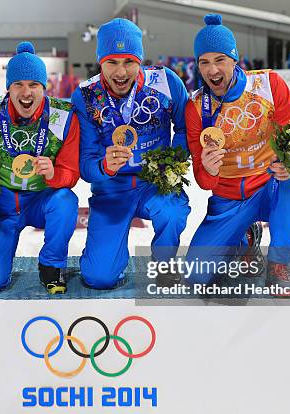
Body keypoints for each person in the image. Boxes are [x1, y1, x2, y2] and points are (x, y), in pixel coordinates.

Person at [185, 14, 290, 297]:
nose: (212, 69)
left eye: (220, 60)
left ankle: (278, 266)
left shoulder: (268, 85)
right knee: (195, 276)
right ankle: (246, 238)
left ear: (234, 60)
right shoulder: (195, 108)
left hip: (267, 186)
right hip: (227, 199)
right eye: (204, 62)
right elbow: (204, 182)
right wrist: (208, 169)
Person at [71, 18, 191, 289]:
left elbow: (185, 128)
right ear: (100, 61)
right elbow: (86, 164)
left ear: (140, 60)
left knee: (172, 213)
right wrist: (105, 166)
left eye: (129, 62)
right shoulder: (86, 97)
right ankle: (100, 255)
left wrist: (173, 161)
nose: (121, 72)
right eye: (112, 62)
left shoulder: (166, 82)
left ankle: (165, 261)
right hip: (112, 189)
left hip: (155, 184)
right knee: (99, 278)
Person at [0, 42, 80, 293]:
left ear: (45, 87)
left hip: (42, 199)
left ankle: (52, 265)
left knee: (65, 201)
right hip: (2, 205)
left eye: (34, 85)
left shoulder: (63, 117)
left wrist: (54, 174)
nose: (26, 92)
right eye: (18, 84)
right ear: (8, 88)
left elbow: (72, 171)